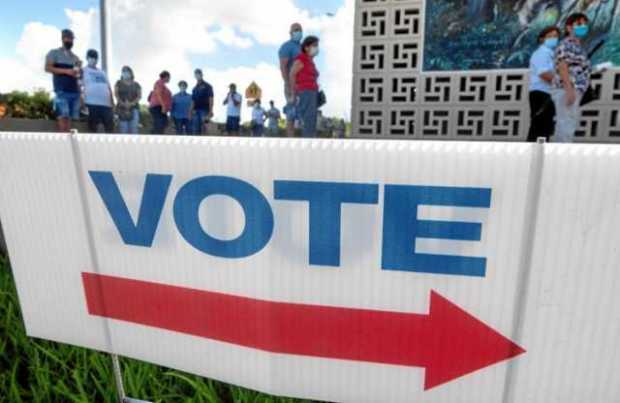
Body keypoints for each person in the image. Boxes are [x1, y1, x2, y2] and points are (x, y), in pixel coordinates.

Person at [551, 13, 592, 143]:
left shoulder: (578, 47)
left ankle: (561, 155)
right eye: (579, 24)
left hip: (576, 89)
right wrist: (569, 90)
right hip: (566, 88)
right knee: (565, 123)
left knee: (570, 121)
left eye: (585, 24)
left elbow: (579, 69)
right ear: (569, 28)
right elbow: (562, 66)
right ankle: (560, 157)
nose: (583, 27)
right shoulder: (566, 44)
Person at [527, 26, 560, 142]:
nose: (553, 39)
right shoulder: (541, 53)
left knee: (545, 128)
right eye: (550, 36)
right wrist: (563, 82)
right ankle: (531, 155)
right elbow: (544, 73)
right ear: (542, 39)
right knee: (539, 127)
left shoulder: (551, 54)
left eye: (556, 36)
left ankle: (539, 156)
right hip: (540, 94)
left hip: (548, 93)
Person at [45, 29, 82, 133]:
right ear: (62, 38)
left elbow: (78, 77)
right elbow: (47, 68)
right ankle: (62, 147)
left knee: (69, 121)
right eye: (68, 38)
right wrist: (66, 71)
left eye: (71, 39)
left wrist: (81, 92)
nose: (70, 41)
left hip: (75, 93)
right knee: (63, 119)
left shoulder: (76, 58)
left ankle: (68, 147)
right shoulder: (54, 53)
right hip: (61, 92)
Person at [290, 36, 321, 138]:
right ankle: (306, 146)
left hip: (312, 93)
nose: (317, 48)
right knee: (308, 122)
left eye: (317, 45)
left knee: (311, 121)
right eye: (314, 45)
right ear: (306, 47)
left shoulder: (310, 61)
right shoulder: (301, 59)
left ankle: (310, 143)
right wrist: (294, 94)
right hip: (305, 93)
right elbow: (292, 75)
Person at [82, 49, 115, 133]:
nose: (93, 59)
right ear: (87, 58)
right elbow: (78, 87)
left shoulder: (102, 72)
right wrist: (82, 104)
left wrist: (112, 104)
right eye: (91, 57)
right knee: (92, 129)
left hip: (106, 105)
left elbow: (109, 88)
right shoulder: (83, 70)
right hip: (91, 104)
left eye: (95, 57)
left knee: (110, 129)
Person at [279, 23, 303, 137]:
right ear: (291, 33)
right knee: (291, 114)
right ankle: (290, 141)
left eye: (300, 30)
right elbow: (283, 66)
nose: (298, 32)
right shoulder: (286, 46)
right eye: (296, 30)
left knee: (303, 114)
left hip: (304, 86)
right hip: (292, 86)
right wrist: (287, 83)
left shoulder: (303, 47)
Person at [114, 66, 142, 134]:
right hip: (121, 109)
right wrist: (122, 103)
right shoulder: (118, 83)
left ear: (131, 73)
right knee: (124, 129)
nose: (126, 73)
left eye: (127, 71)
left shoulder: (136, 84)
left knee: (134, 129)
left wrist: (131, 103)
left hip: (134, 108)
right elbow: (116, 94)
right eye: (124, 71)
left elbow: (139, 96)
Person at [191, 69, 214, 135]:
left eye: (198, 73)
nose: (197, 75)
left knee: (205, 129)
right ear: (194, 76)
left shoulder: (208, 86)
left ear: (201, 74)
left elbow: (211, 99)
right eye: (196, 74)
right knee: (195, 130)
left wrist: (210, 111)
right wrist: (190, 112)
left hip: (205, 110)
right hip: (195, 112)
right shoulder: (194, 88)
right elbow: (193, 101)